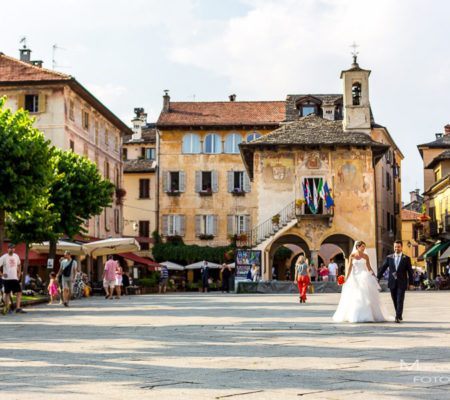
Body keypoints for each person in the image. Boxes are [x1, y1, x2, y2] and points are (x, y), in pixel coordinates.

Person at [333, 240, 393, 323]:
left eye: (364, 247)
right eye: (362, 247)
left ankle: (367, 315)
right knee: (354, 297)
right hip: (354, 278)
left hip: (364, 277)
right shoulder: (352, 256)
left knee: (365, 296)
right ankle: (355, 315)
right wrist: (346, 278)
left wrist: (375, 277)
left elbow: (369, 267)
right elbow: (349, 268)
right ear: (357, 247)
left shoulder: (366, 256)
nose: (364, 248)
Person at [377, 240, 414, 323]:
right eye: (395, 247)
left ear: (401, 247)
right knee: (394, 299)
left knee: (400, 299)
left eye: (398, 247)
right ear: (394, 248)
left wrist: (411, 283)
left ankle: (397, 316)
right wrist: (377, 278)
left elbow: (410, 272)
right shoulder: (389, 257)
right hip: (392, 282)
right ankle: (399, 314)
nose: (397, 248)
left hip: (402, 282)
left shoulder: (406, 258)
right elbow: (383, 268)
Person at [0, 244, 26, 314]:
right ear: (7, 249)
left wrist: (19, 273)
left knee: (19, 292)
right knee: (7, 293)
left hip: (14, 278)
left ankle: (18, 308)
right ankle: (7, 308)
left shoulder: (16, 256)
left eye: (13, 248)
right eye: (10, 248)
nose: (12, 250)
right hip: (7, 279)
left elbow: (19, 264)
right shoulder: (4, 257)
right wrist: (2, 274)